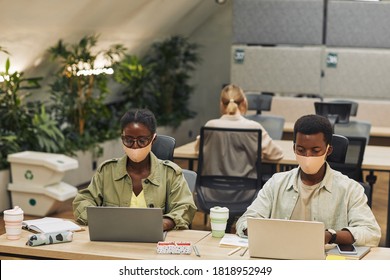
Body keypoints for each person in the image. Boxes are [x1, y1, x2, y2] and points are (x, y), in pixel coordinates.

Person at [235, 114, 381, 247]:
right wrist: (267, 232)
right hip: (281, 257)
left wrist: (331, 236)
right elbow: (244, 222)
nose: (307, 156)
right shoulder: (276, 183)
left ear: (328, 150)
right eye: (301, 150)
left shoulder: (350, 189)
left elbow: (371, 233)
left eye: (315, 151)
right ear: (294, 148)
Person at [73, 108, 197, 231]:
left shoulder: (170, 173)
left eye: (142, 141)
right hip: (113, 240)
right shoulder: (107, 171)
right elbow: (83, 201)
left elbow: (185, 206)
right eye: (129, 140)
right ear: (122, 138)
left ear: (153, 140)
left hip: (155, 242)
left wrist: (164, 223)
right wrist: (103, 221)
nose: (135, 146)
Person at [195, 84, 283, 161]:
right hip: (247, 180)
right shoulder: (253, 127)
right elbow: (277, 154)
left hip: (212, 180)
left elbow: (198, 150)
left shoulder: (211, 126)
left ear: (221, 104)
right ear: (244, 102)